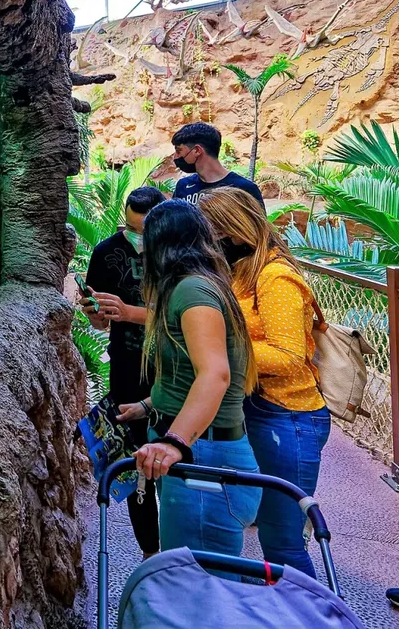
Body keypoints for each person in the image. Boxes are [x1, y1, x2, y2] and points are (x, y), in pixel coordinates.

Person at [117, 199, 261, 557]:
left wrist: (175, 442)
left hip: (202, 455)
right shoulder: (188, 286)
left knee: (201, 585)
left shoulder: (193, 291)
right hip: (195, 450)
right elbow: (188, 371)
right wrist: (149, 406)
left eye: (142, 236)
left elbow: (214, 374)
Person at [200, 188, 332, 577]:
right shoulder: (242, 272)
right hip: (259, 411)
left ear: (233, 232)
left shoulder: (275, 278)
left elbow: (290, 357)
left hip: (288, 417)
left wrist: (217, 351)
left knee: (283, 539)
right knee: (268, 532)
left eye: (212, 233)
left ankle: (312, 614)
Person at [82, 185, 166, 557]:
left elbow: (186, 319)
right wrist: (95, 313)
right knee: (137, 465)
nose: (136, 237)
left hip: (172, 373)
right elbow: (99, 322)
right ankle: (149, 551)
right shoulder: (106, 252)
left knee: (177, 458)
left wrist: (131, 313)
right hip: (128, 371)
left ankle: (182, 549)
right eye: (129, 227)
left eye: (143, 229)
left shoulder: (179, 254)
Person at [169, 122, 264, 208]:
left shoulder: (245, 188)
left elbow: (260, 226)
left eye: (178, 150)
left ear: (197, 150)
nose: (176, 157)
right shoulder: (183, 186)